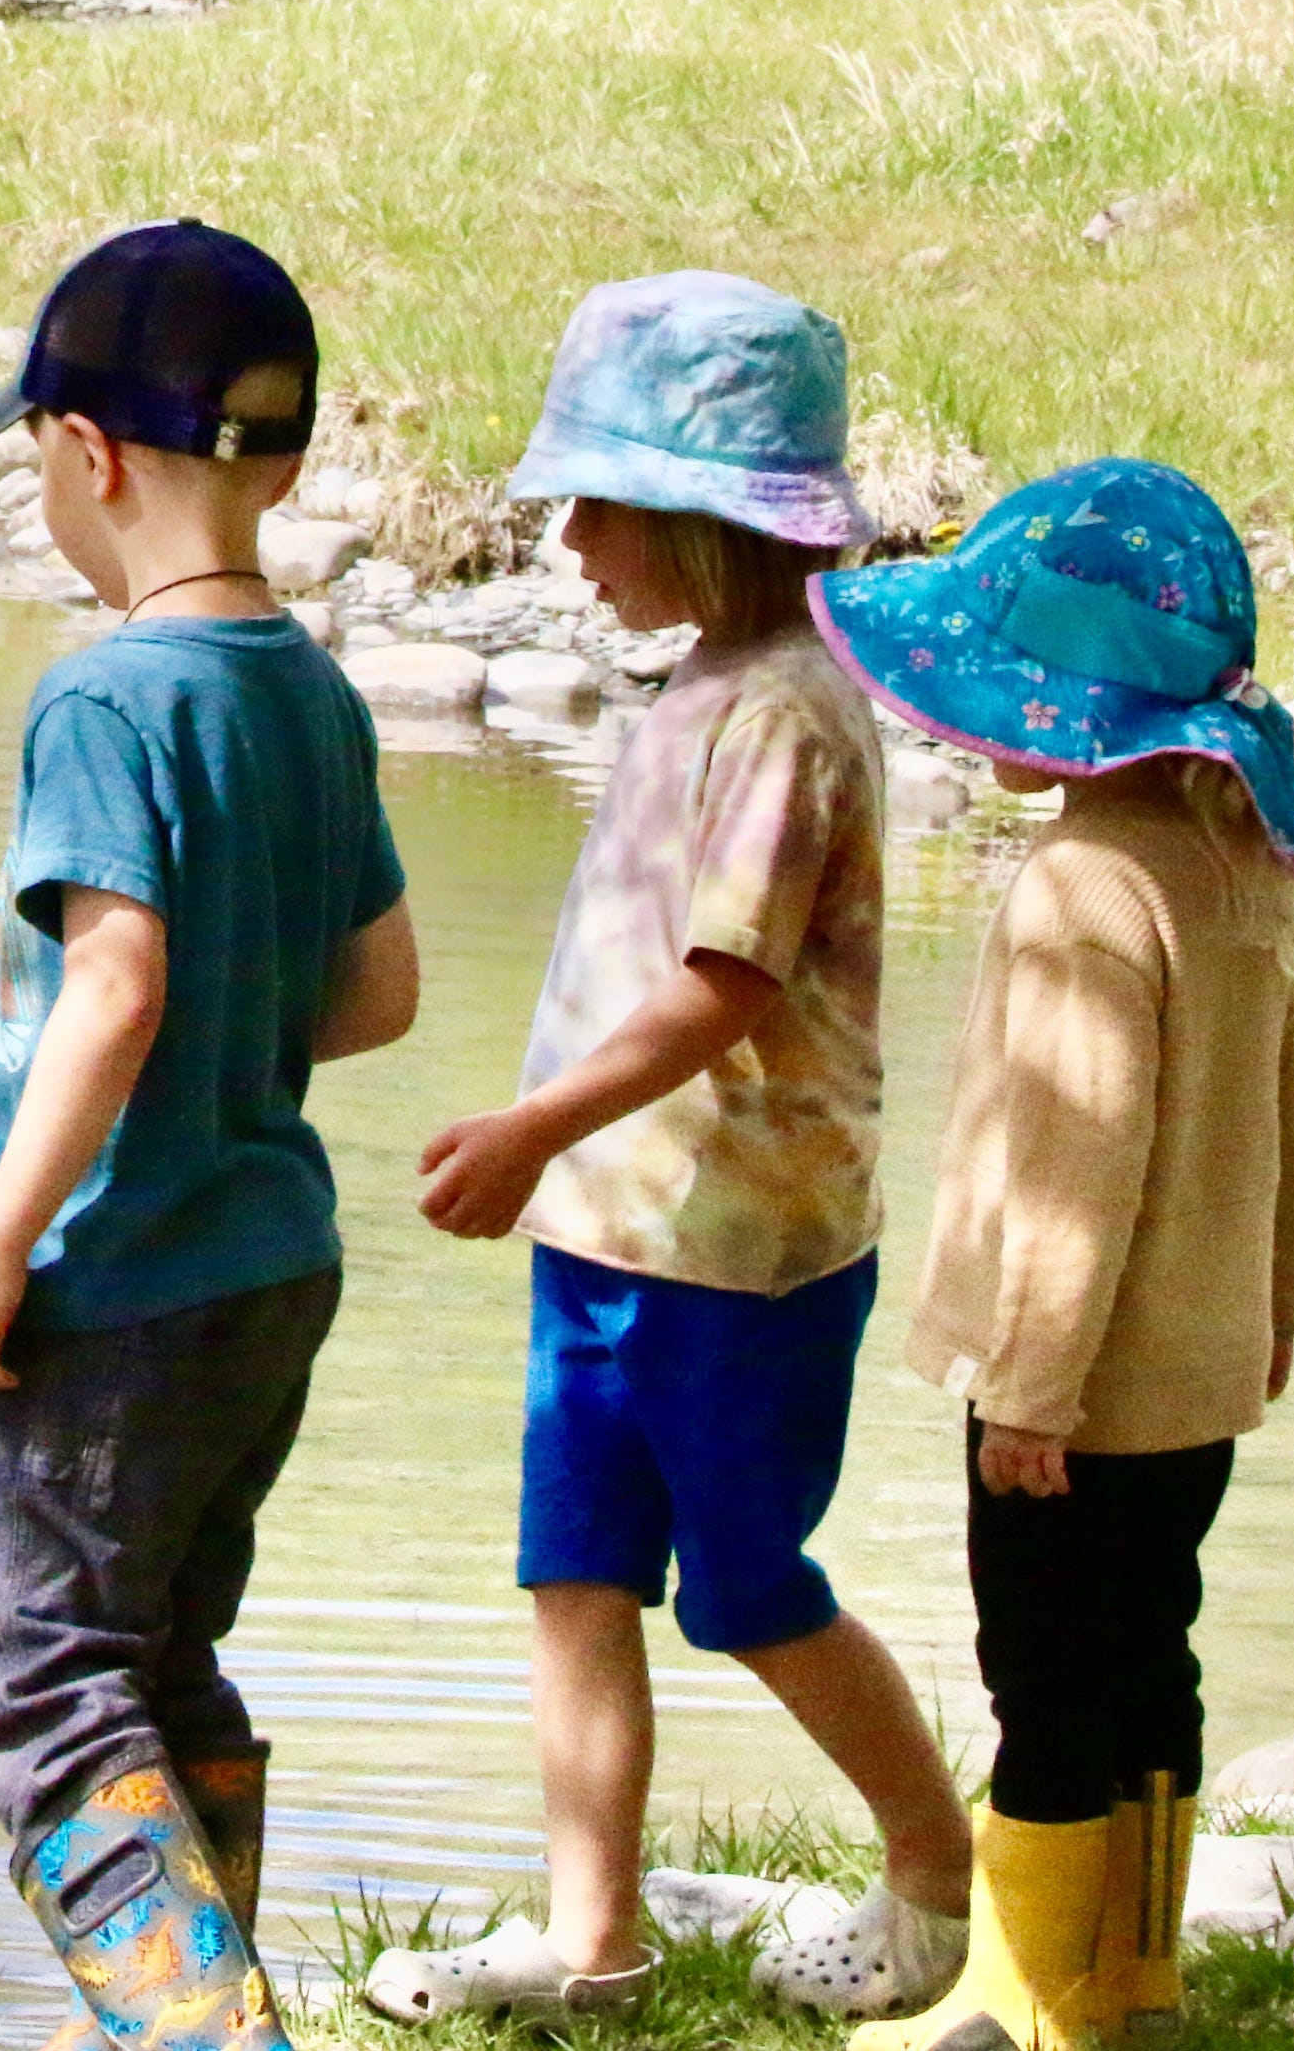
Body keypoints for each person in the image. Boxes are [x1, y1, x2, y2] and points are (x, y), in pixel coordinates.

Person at [411, 272, 970, 2020]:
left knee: (744, 1589)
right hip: (612, 1232)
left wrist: (526, 1127)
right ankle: (594, 1941)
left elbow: (721, 991)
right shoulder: (704, 687)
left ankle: (938, 1874)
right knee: (574, 1576)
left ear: (704, 522)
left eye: (597, 504)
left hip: (742, 1247)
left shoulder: (790, 716)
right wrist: (557, 1162)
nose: (566, 536)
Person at [0, 220, 422, 2051]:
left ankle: (199, 2032)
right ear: (279, 462)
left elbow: (113, 991)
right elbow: (374, 997)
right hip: (269, 1271)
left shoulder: (108, 695)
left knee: (41, 1686)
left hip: (114, 1283)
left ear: (90, 455)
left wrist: (1, 1234)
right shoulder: (314, 690)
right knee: (162, 1656)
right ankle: (194, 2007)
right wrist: (226, 1033)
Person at [810, 458, 1294, 2051]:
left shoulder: (1083, 889)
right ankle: (1134, 1977)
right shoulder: (1235, 869)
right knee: (1146, 1653)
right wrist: (1274, 1314)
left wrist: (1029, 1388)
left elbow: (1071, 1153)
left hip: (1077, 1393)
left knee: (1040, 1672)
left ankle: (1023, 2004)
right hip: (1193, 1375)